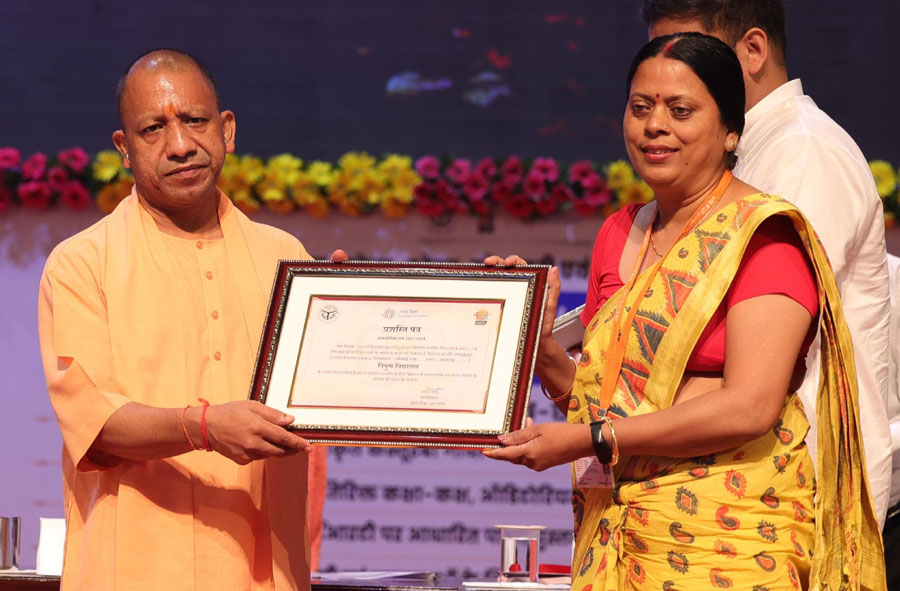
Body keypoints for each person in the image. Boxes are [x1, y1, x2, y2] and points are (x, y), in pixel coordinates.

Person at [484, 33, 884, 590]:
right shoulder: (618, 232)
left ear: (730, 131)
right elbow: (603, 398)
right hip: (618, 531)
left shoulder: (763, 237)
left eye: (680, 110)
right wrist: (538, 343)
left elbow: (750, 406)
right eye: (640, 108)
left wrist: (591, 440)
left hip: (731, 538)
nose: (655, 126)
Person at [38, 49, 328, 590]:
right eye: (153, 128)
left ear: (227, 130)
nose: (179, 144)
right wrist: (205, 427)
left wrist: (350, 318)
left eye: (194, 120)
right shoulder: (83, 263)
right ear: (124, 148)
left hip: (265, 574)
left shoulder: (286, 259)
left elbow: (331, 402)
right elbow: (96, 425)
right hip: (136, 572)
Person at [640, 0, 893, 530]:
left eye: (689, 50)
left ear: (753, 50)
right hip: (730, 490)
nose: (669, 68)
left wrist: (609, 422)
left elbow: (757, 352)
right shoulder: (735, 154)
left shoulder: (802, 152)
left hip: (804, 495)